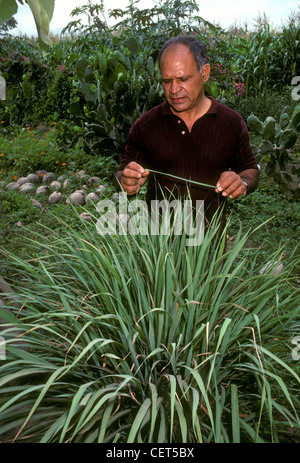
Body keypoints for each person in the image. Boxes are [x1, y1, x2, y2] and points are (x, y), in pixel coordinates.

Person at [115, 35, 260, 227]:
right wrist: (126, 180)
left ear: (205, 73)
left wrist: (243, 182)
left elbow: (250, 170)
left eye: (183, 79)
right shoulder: (145, 126)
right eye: (167, 81)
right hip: (158, 247)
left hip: (210, 246)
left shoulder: (230, 122)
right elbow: (121, 174)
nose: (174, 89)